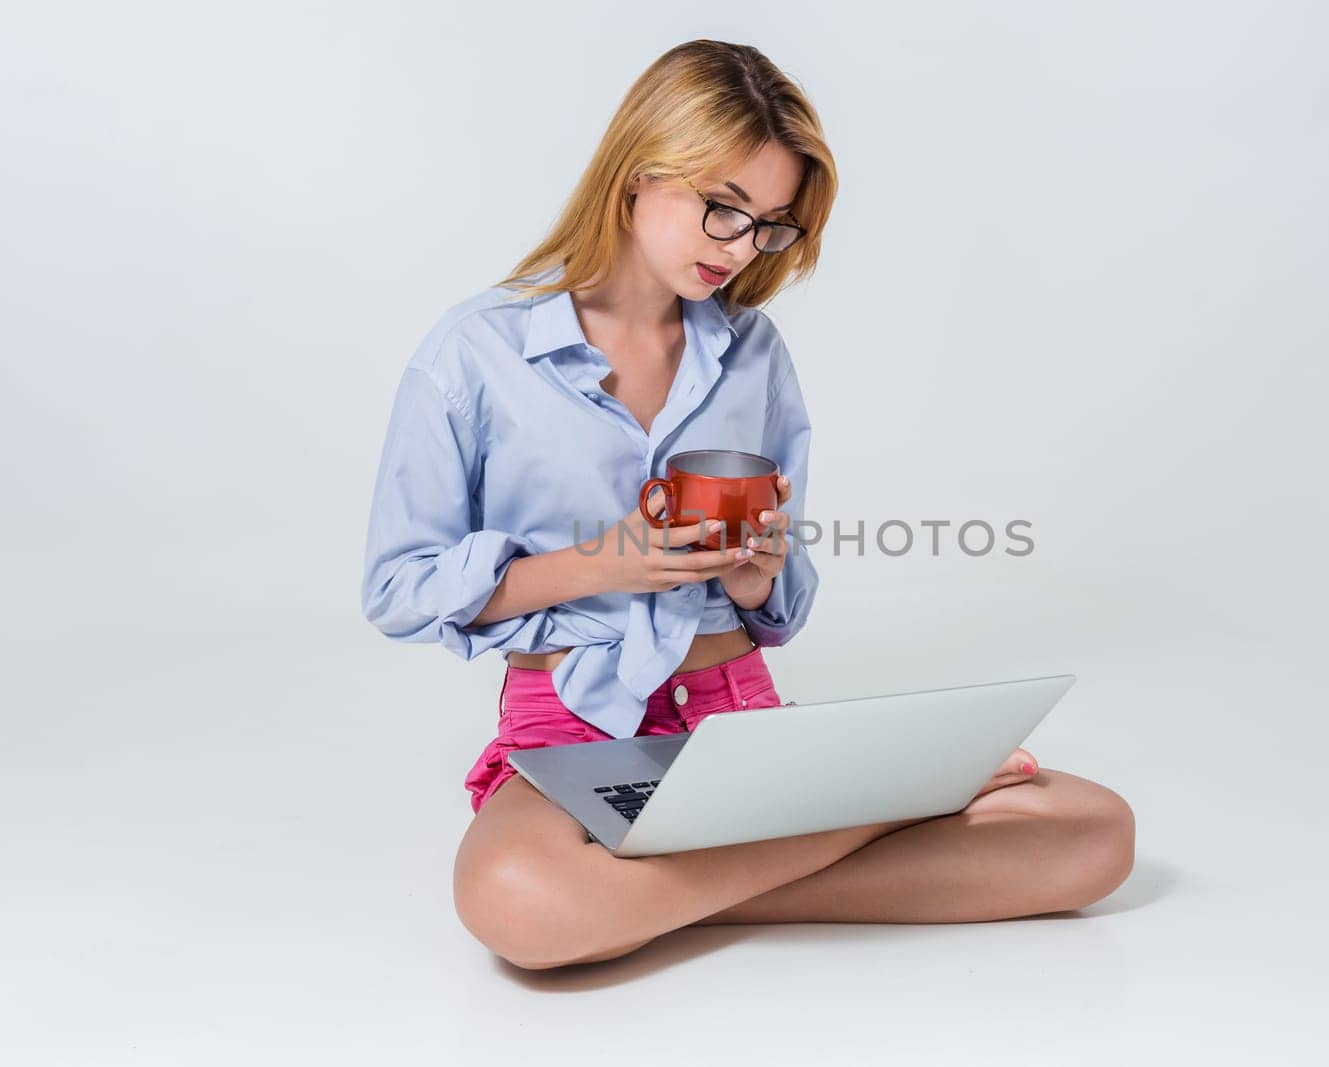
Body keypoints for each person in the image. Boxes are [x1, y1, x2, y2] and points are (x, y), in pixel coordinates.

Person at [360, 39, 1135, 970]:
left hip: (735, 717)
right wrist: (606, 562)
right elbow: (400, 588)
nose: (739, 248)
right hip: (575, 727)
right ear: (638, 173)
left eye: (769, 225)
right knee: (513, 900)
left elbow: (781, 590)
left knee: (1096, 830)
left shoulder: (753, 352)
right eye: (722, 210)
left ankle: (641, 898)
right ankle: (875, 814)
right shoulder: (473, 355)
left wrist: (762, 574)